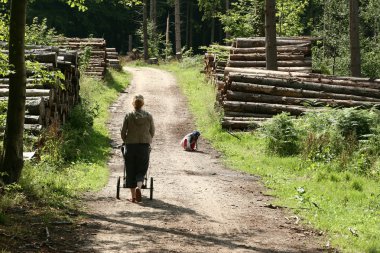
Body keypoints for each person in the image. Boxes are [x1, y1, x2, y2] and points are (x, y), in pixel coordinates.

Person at [121, 95, 155, 203]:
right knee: (141, 169)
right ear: (142, 104)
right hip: (143, 146)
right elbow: (152, 131)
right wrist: (147, 138)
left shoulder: (128, 115)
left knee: (130, 169)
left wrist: (126, 140)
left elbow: (123, 132)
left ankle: (133, 197)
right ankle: (139, 188)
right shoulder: (149, 116)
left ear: (133, 103)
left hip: (130, 146)